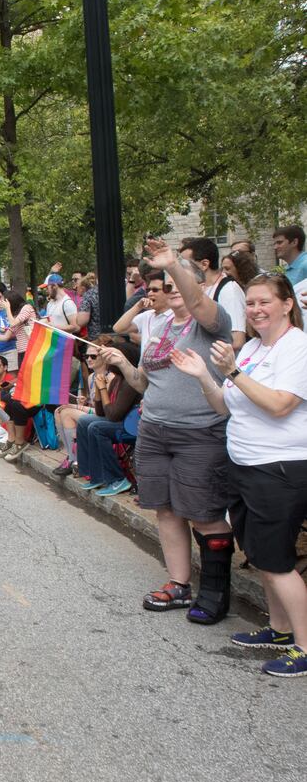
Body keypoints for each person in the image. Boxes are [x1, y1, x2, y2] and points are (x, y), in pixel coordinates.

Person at [169, 273, 307, 676]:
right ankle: (279, 629)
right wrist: (203, 376)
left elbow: (280, 405)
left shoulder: (296, 346)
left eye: (265, 302)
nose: (256, 310)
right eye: (250, 303)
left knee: (277, 560)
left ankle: (304, 645)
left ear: (286, 304)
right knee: (261, 555)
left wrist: (232, 373)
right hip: (244, 463)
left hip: (280, 467)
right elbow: (224, 407)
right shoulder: (249, 351)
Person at [97, 238, 235, 623]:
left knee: (204, 511)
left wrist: (174, 265)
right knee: (167, 510)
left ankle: (215, 591)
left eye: (178, 282)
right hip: (155, 429)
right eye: (167, 284)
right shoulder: (158, 324)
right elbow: (145, 383)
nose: (171, 289)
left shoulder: (213, 321)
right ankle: (178, 584)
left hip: (199, 431)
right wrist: (123, 368)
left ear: (197, 286)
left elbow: (197, 304)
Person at [73, 338, 143, 496]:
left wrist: (103, 389)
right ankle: (95, 475)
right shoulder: (117, 379)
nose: (107, 361)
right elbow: (100, 412)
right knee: (84, 421)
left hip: (131, 427)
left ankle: (117, 479)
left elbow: (113, 415)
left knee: (96, 428)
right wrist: (99, 389)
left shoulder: (129, 382)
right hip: (119, 422)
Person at [183, 236, 246, 348]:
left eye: (185, 265)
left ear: (204, 264)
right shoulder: (202, 288)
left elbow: (237, 339)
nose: (181, 270)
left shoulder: (229, 290)